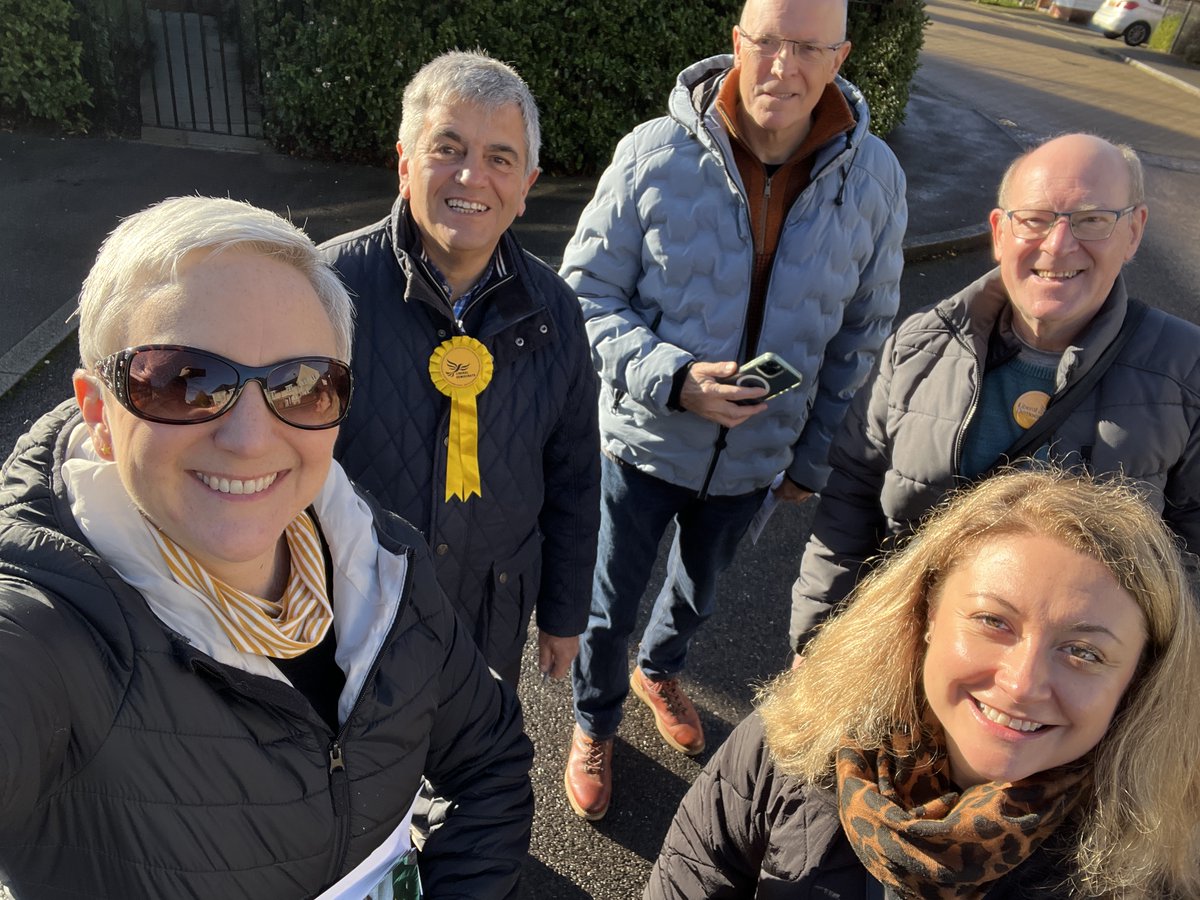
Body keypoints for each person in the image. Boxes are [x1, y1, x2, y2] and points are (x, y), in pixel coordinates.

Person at [0, 196, 533, 898]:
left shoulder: (381, 562)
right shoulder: (48, 634)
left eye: (300, 385)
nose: (250, 438)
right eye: (184, 382)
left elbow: (489, 760)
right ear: (100, 412)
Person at [560, 0, 907, 819]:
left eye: (808, 48)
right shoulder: (652, 153)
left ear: (840, 56)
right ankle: (592, 720)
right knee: (609, 603)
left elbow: (865, 333)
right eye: (768, 42)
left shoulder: (877, 178)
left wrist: (814, 454)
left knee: (698, 591)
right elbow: (583, 293)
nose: (784, 66)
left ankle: (660, 670)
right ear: (737, 45)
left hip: (760, 457)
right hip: (644, 442)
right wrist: (672, 377)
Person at [648, 468, 1200, 899]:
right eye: (993, 621)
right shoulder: (792, 744)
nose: (1022, 683)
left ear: (1139, 678)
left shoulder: (1158, 860)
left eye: (1083, 651)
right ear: (928, 612)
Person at [789, 132, 1200, 657]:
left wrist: (1148, 684)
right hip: (904, 658)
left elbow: (1191, 556)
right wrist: (817, 640)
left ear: (1134, 231)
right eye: (1034, 219)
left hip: (1063, 701)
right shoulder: (919, 345)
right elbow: (853, 493)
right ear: (1000, 232)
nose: (1057, 245)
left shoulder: (1185, 370)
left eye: (1092, 219)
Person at [320, 50, 599, 688]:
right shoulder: (324, 291)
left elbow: (576, 474)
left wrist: (564, 613)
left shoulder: (555, 309)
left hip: (490, 616)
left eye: (500, 158)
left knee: (466, 766)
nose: (472, 177)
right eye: (448, 148)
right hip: (350, 613)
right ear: (405, 164)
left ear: (526, 187)